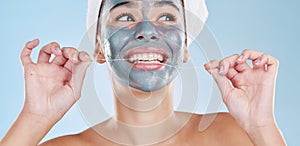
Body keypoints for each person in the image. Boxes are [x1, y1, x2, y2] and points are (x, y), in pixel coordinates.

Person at [0, 0, 286, 145]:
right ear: (99, 46)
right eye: (125, 17)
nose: (147, 31)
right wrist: (35, 118)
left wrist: (262, 127)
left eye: (166, 17)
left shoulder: (233, 137)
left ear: (185, 46)